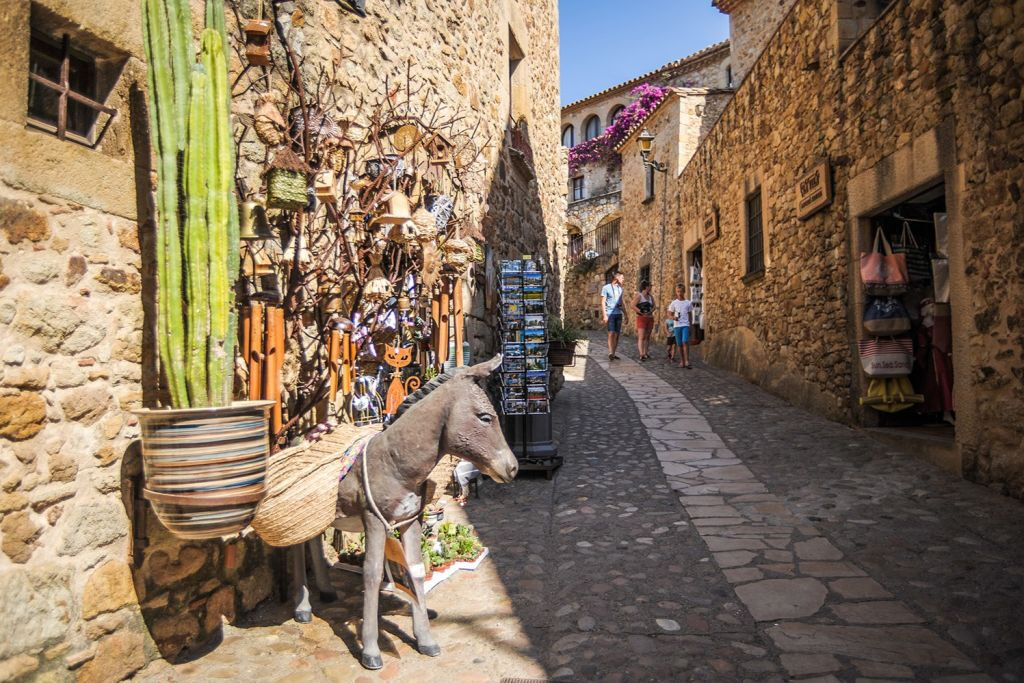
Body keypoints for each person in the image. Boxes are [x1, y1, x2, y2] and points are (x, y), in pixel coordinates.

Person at [600, 271, 626, 360]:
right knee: (611, 333)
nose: (623, 280)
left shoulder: (620, 289)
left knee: (617, 334)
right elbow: (603, 302)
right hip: (610, 314)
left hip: (619, 314)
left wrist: (626, 314)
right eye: (622, 278)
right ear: (616, 278)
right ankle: (610, 352)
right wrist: (604, 315)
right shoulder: (606, 288)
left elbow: (621, 302)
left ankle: (613, 353)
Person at [667, 283, 693, 369]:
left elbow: (690, 315)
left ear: (684, 292)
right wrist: (673, 317)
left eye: (681, 291)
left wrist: (690, 326)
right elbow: (669, 314)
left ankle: (687, 360)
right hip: (677, 326)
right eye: (678, 291)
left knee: (685, 341)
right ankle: (682, 360)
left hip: (685, 325)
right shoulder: (674, 303)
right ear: (676, 292)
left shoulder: (688, 303)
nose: (679, 293)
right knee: (679, 344)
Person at [632, 280, 655, 360]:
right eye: (650, 286)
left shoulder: (651, 297)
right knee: (641, 337)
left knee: (647, 337)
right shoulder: (639, 296)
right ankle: (641, 354)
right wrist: (641, 312)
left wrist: (651, 311)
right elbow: (632, 305)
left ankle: (646, 352)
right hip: (641, 318)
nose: (651, 287)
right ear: (646, 287)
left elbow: (654, 306)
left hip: (650, 318)